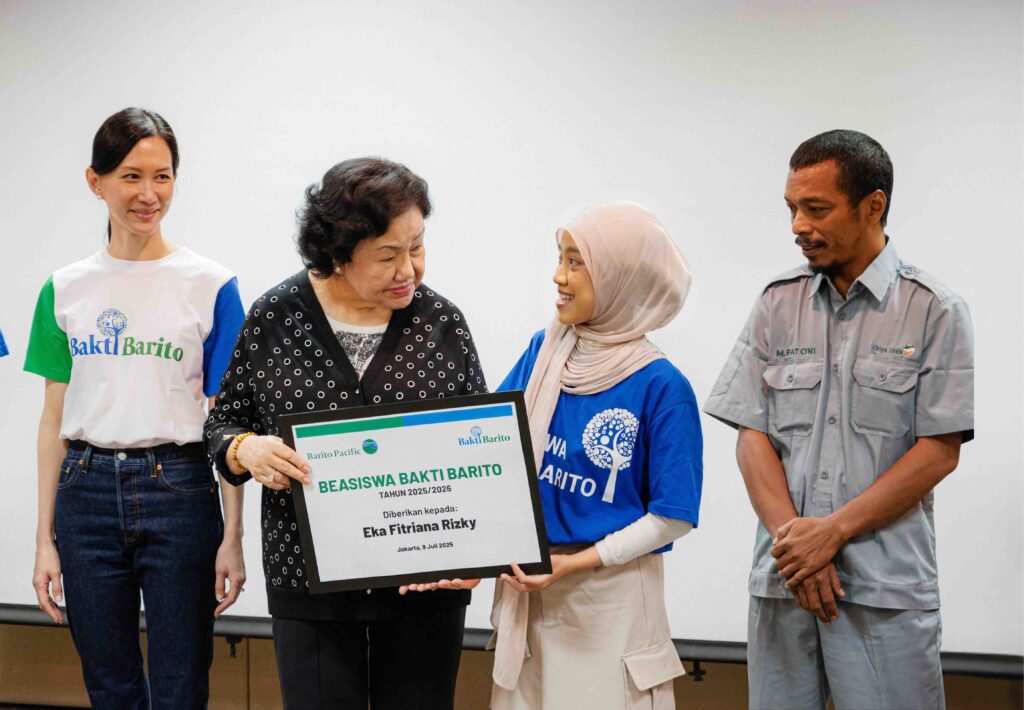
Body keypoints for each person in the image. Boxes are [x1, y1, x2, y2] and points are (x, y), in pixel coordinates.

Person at [204, 157, 487, 709]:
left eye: (418, 246)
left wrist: (477, 555)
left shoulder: (441, 322)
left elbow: (479, 442)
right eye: (387, 255)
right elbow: (223, 422)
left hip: (423, 585)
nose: (409, 269)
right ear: (336, 256)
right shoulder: (275, 316)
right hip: (309, 583)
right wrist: (246, 448)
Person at [704, 129, 973, 709]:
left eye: (816, 208)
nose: (798, 225)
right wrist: (794, 544)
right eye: (792, 209)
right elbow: (752, 434)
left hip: (883, 591)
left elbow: (938, 451)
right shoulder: (777, 302)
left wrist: (832, 533)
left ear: (872, 205)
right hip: (784, 583)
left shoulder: (936, 311)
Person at [24, 107, 246, 709]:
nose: (149, 195)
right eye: (130, 176)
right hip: (85, 493)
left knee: (181, 685)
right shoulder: (63, 287)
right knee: (110, 684)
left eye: (163, 176)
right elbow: (52, 420)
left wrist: (234, 535)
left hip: (179, 489)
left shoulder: (212, 284)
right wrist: (44, 540)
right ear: (94, 181)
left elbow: (227, 418)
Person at [486, 202, 702, 709]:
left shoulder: (661, 384)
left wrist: (571, 564)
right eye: (560, 259)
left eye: (577, 263)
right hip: (533, 594)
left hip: (612, 604)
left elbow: (672, 518)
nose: (558, 277)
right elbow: (491, 450)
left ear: (621, 278)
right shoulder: (544, 350)